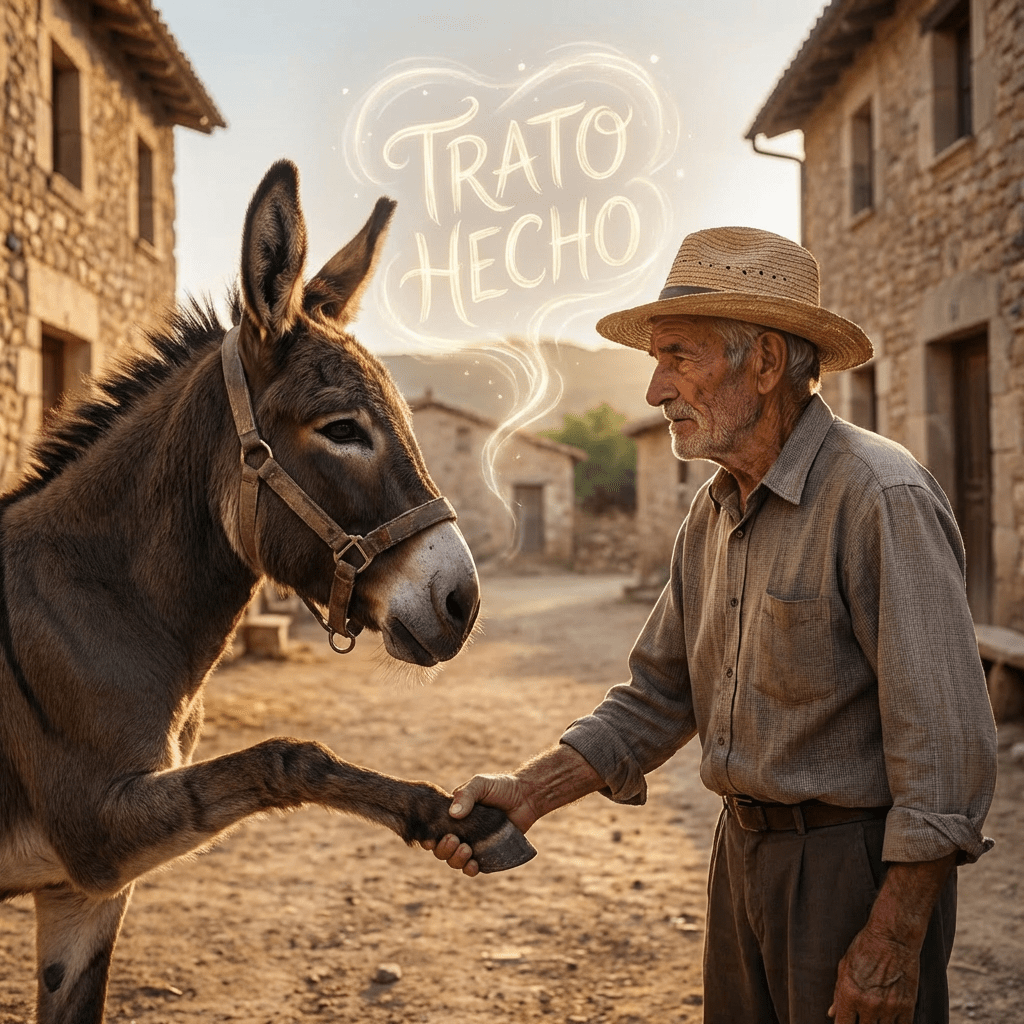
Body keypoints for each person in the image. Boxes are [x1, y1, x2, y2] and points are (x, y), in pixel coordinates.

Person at [422, 226, 998, 1024]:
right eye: (656, 361)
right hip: (741, 858)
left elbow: (946, 752)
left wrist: (895, 937)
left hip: (852, 870)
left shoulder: (878, 497)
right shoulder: (712, 511)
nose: (655, 389)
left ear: (764, 363)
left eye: (678, 357)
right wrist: (528, 791)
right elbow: (658, 696)